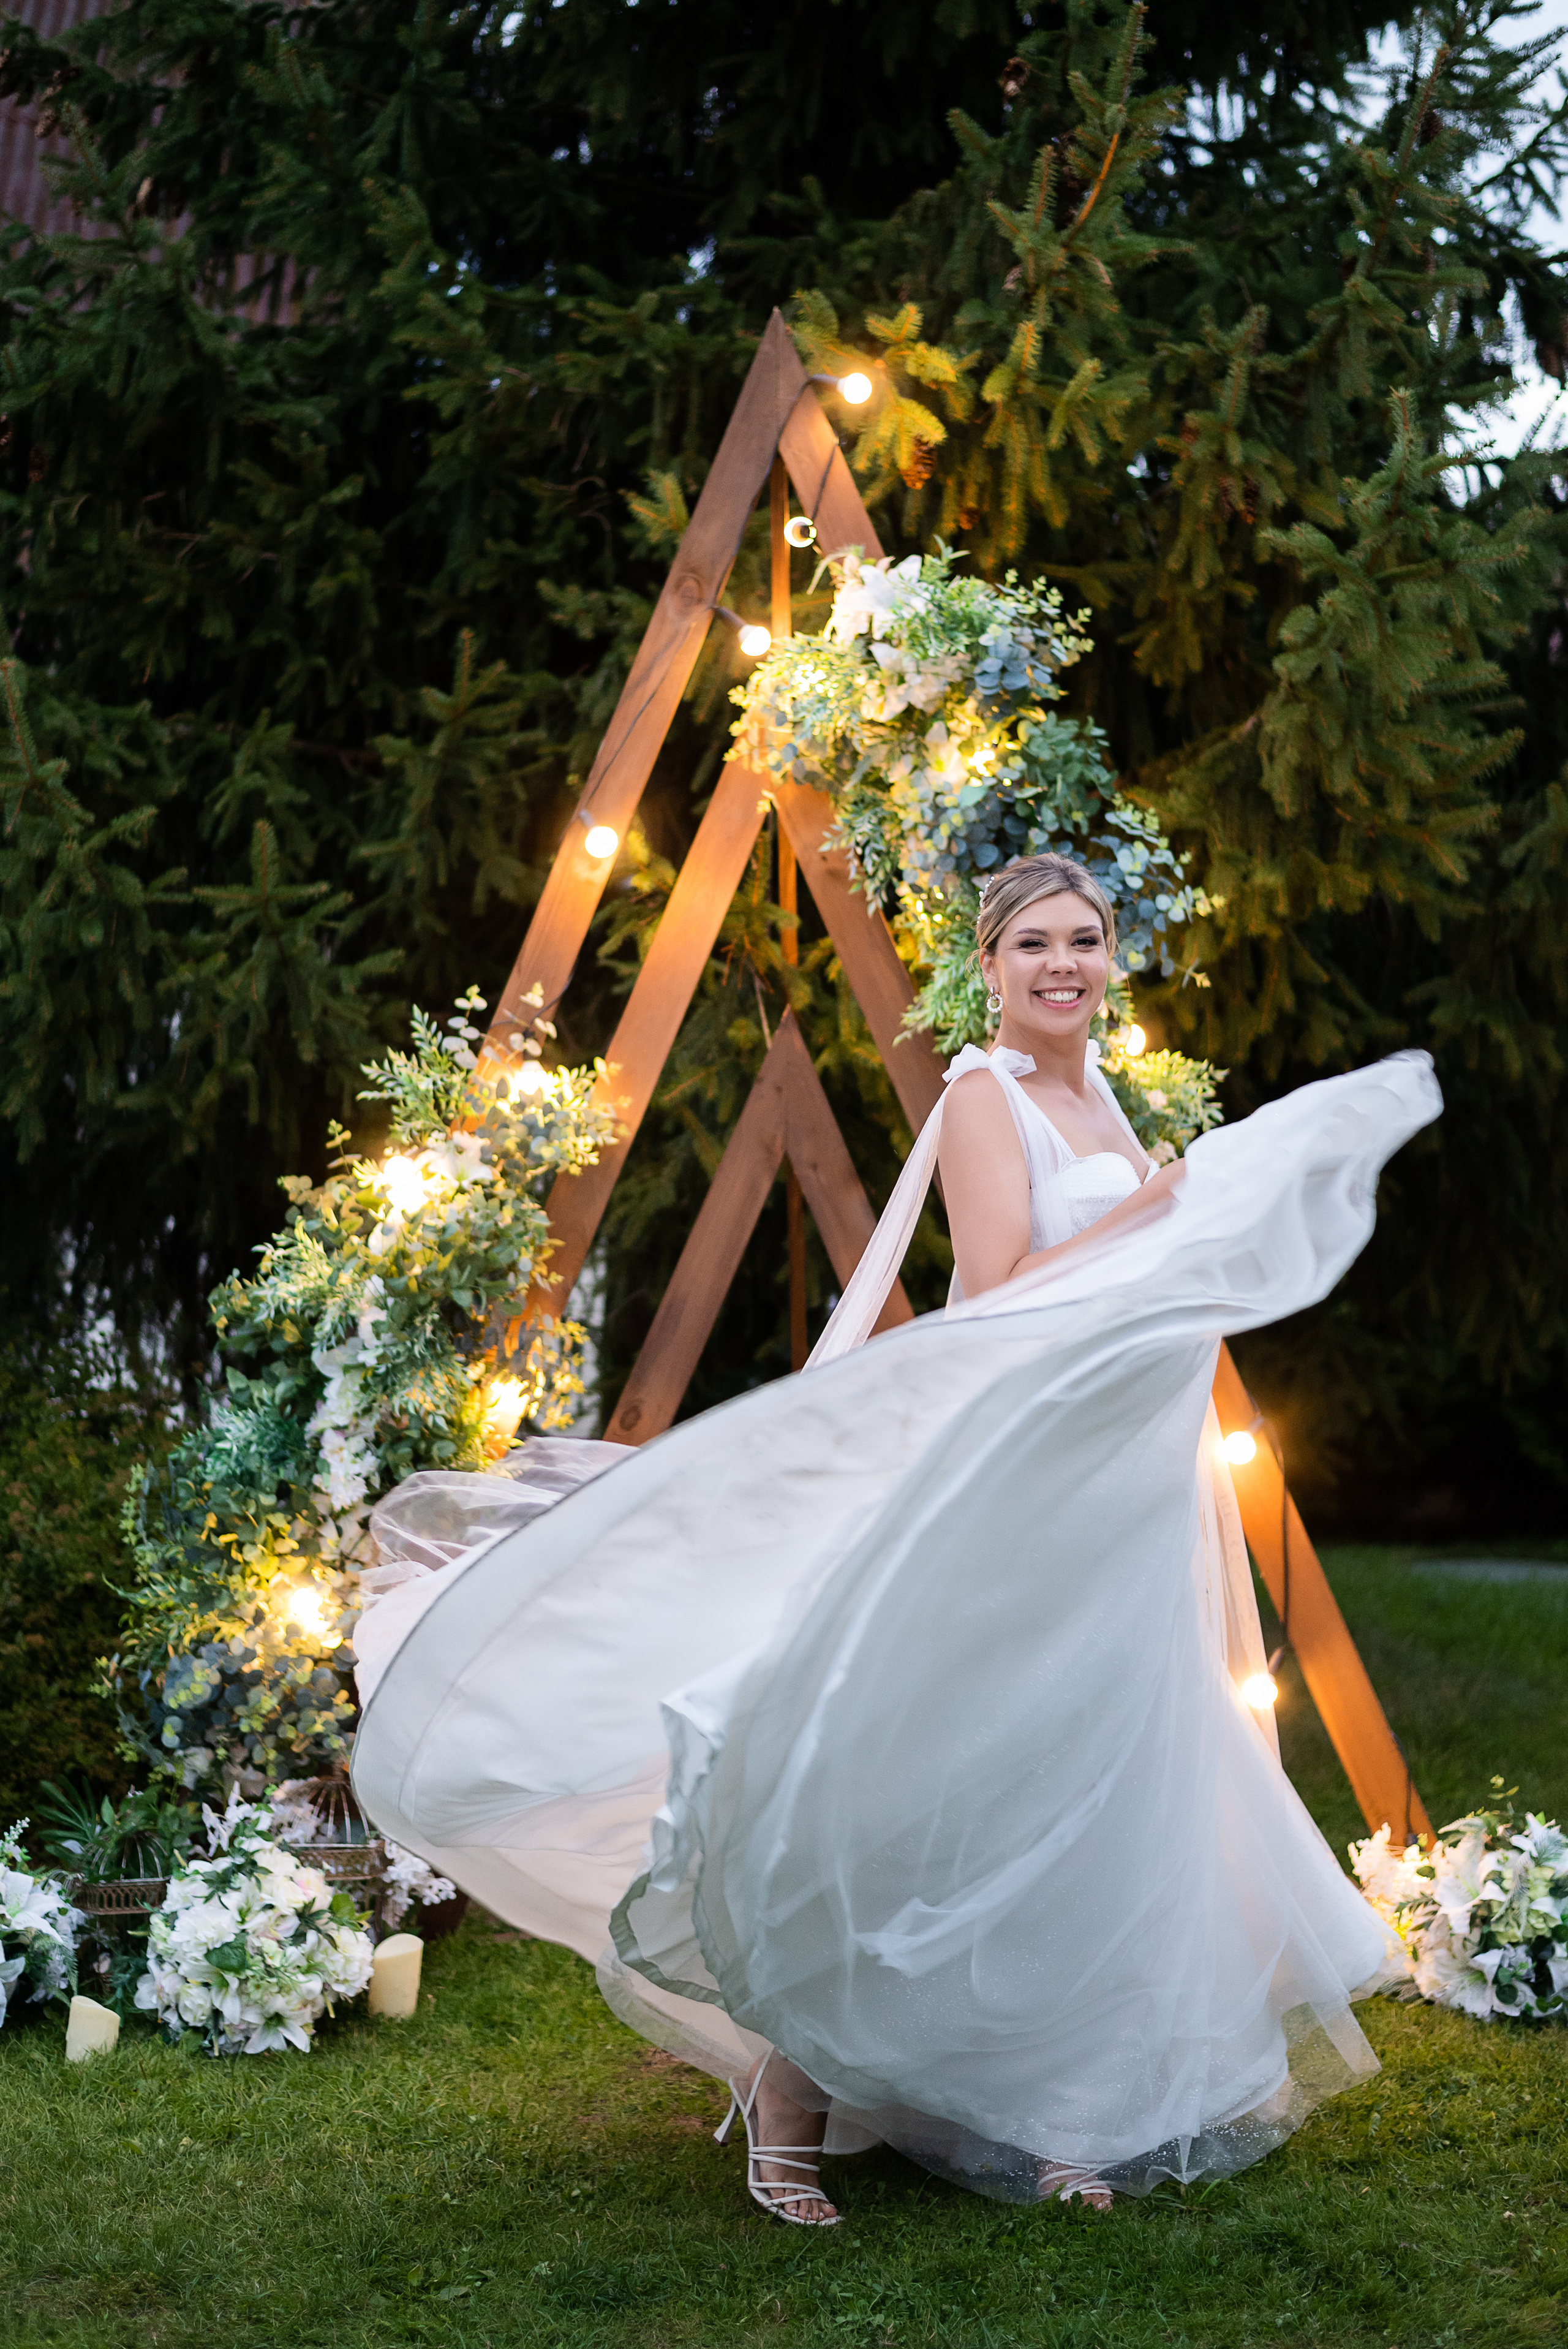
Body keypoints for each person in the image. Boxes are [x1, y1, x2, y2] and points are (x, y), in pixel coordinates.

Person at [351, 852, 1440, 2226]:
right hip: (1020, 1488)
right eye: (1033, 944)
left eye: (1085, 942)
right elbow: (992, 1294)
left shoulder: (1096, 1094)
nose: (1062, 965)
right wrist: (1161, 1220)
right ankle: (788, 2097)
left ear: (1111, 961)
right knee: (932, 1777)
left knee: (1083, 1787)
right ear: (986, 969)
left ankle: (1066, 2112)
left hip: (1124, 1489)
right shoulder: (986, 1097)